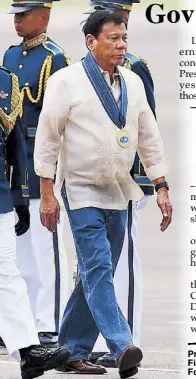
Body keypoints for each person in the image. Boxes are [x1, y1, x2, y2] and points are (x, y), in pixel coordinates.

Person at [34, 11, 172, 378]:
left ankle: (71, 350)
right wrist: (47, 192)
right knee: (97, 268)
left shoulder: (132, 82)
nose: (121, 45)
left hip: (118, 192)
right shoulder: (66, 81)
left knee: (98, 273)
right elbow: (47, 139)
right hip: (79, 191)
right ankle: (122, 344)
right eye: (112, 38)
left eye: (124, 37)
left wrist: (161, 185)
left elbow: (149, 137)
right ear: (90, 41)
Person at [81, 0, 156, 367]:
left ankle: (130, 342)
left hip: (126, 181)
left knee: (122, 262)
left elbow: (147, 129)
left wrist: (144, 182)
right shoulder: (84, 71)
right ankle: (106, 341)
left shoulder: (135, 67)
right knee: (96, 264)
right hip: (92, 179)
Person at [3, 0, 71, 346]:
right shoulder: (10, 56)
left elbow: (57, 118)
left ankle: (51, 321)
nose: (17, 21)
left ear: (43, 16)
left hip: (41, 162)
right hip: (15, 163)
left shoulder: (54, 58)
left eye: (24, 14)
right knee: (19, 248)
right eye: (15, 15)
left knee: (47, 246)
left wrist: (54, 171)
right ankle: (23, 322)